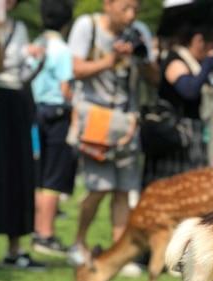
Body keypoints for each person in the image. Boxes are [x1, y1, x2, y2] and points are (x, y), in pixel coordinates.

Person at [67, 0, 157, 260]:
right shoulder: (88, 26)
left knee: (123, 190)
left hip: (126, 121)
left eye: (135, 10)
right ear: (108, 4)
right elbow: (74, 69)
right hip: (95, 119)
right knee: (99, 187)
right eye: (125, 8)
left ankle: (118, 252)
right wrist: (111, 60)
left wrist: (141, 58)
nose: (130, 15)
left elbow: (154, 79)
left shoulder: (140, 31)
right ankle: (79, 242)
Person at [143, 26, 213, 184]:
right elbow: (188, 90)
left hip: (194, 136)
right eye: (212, 46)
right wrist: (206, 66)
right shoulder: (175, 60)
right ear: (198, 40)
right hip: (175, 137)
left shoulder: (196, 65)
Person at [31, 0, 78, 259]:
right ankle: (45, 234)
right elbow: (65, 88)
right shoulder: (62, 49)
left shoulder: (37, 44)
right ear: (66, 21)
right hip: (58, 115)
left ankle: (37, 228)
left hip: (35, 112)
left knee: (39, 174)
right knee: (53, 177)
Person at [0, 0, 43, 269]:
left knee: (16, 173)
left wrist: (35, 59)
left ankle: (15, 248)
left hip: (14, 103)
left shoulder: (19, 28)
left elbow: (23, 70)